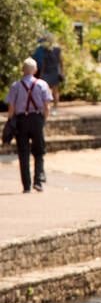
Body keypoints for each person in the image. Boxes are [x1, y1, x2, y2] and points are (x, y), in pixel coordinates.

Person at [5, 58, 53, 193]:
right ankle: (38, 180)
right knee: (39, 151)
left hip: (21, 120)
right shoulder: (42, 85)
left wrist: (10, 122)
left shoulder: (16, 86)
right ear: (35, 70)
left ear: (22, 70)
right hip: (37, 119)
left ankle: (26, 185)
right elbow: (46, 106)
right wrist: (43, 119)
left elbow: (11, 108)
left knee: (23, 153)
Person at [35, 34, 64, 108]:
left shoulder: (57, 49)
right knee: (45, 89)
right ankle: (46, 106)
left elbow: (61, 62)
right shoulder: (45, 49)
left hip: (54, 71)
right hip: (46, 71)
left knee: (55, 90)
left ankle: (55, 106)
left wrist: (62, 72)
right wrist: (41, 74)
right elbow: (44, 63)